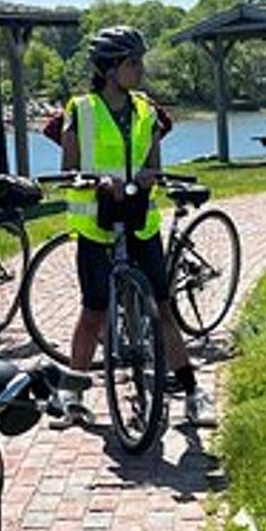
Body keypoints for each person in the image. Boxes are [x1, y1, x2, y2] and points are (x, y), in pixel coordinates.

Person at [61, 25, 217, 430]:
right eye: (133, 62)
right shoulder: (81, 109)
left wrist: (152, 176)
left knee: (163, 309)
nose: (140, 69)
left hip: (140, 220)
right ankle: (73, 394)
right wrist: (95, 181)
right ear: (110, 69)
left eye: (140, 61)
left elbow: (154, 164)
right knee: (93, 312)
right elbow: (69, 170)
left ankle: (192, 391)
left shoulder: (146, 110)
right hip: (97, 224)